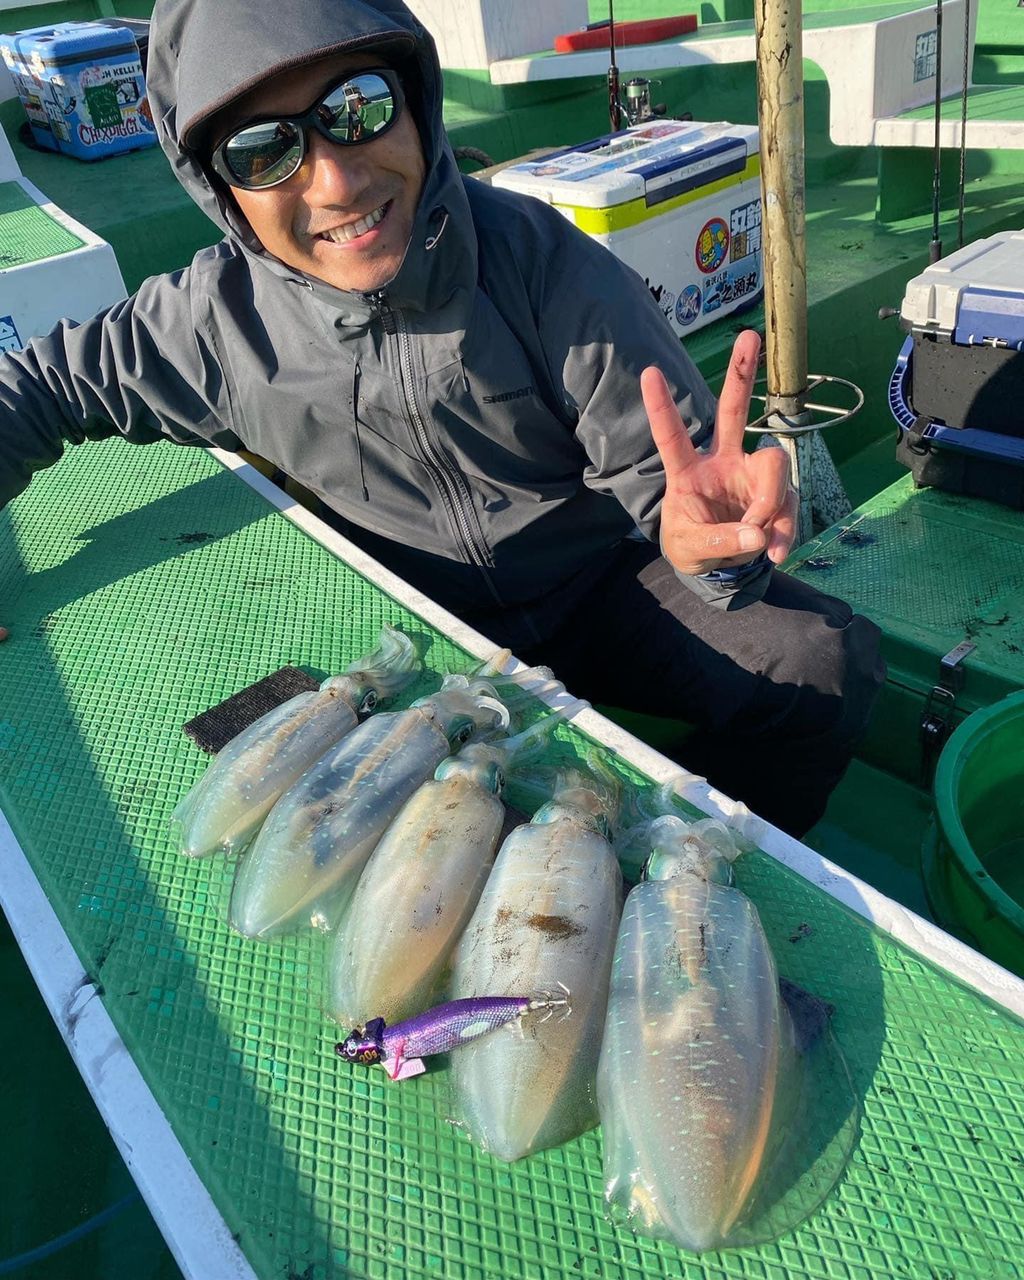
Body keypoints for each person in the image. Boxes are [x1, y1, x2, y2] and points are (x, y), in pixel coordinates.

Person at [0, 0, 884, 836]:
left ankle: (685, 855)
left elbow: (680, 498)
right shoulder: (208, 325)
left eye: (358, 106)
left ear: (416, 102)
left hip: (596, 593)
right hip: (402, 629)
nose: (338, 181)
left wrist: (713, 555)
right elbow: (36, 385)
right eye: (264, 151)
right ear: (219, 188)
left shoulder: (544, 266)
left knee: (825, 663)